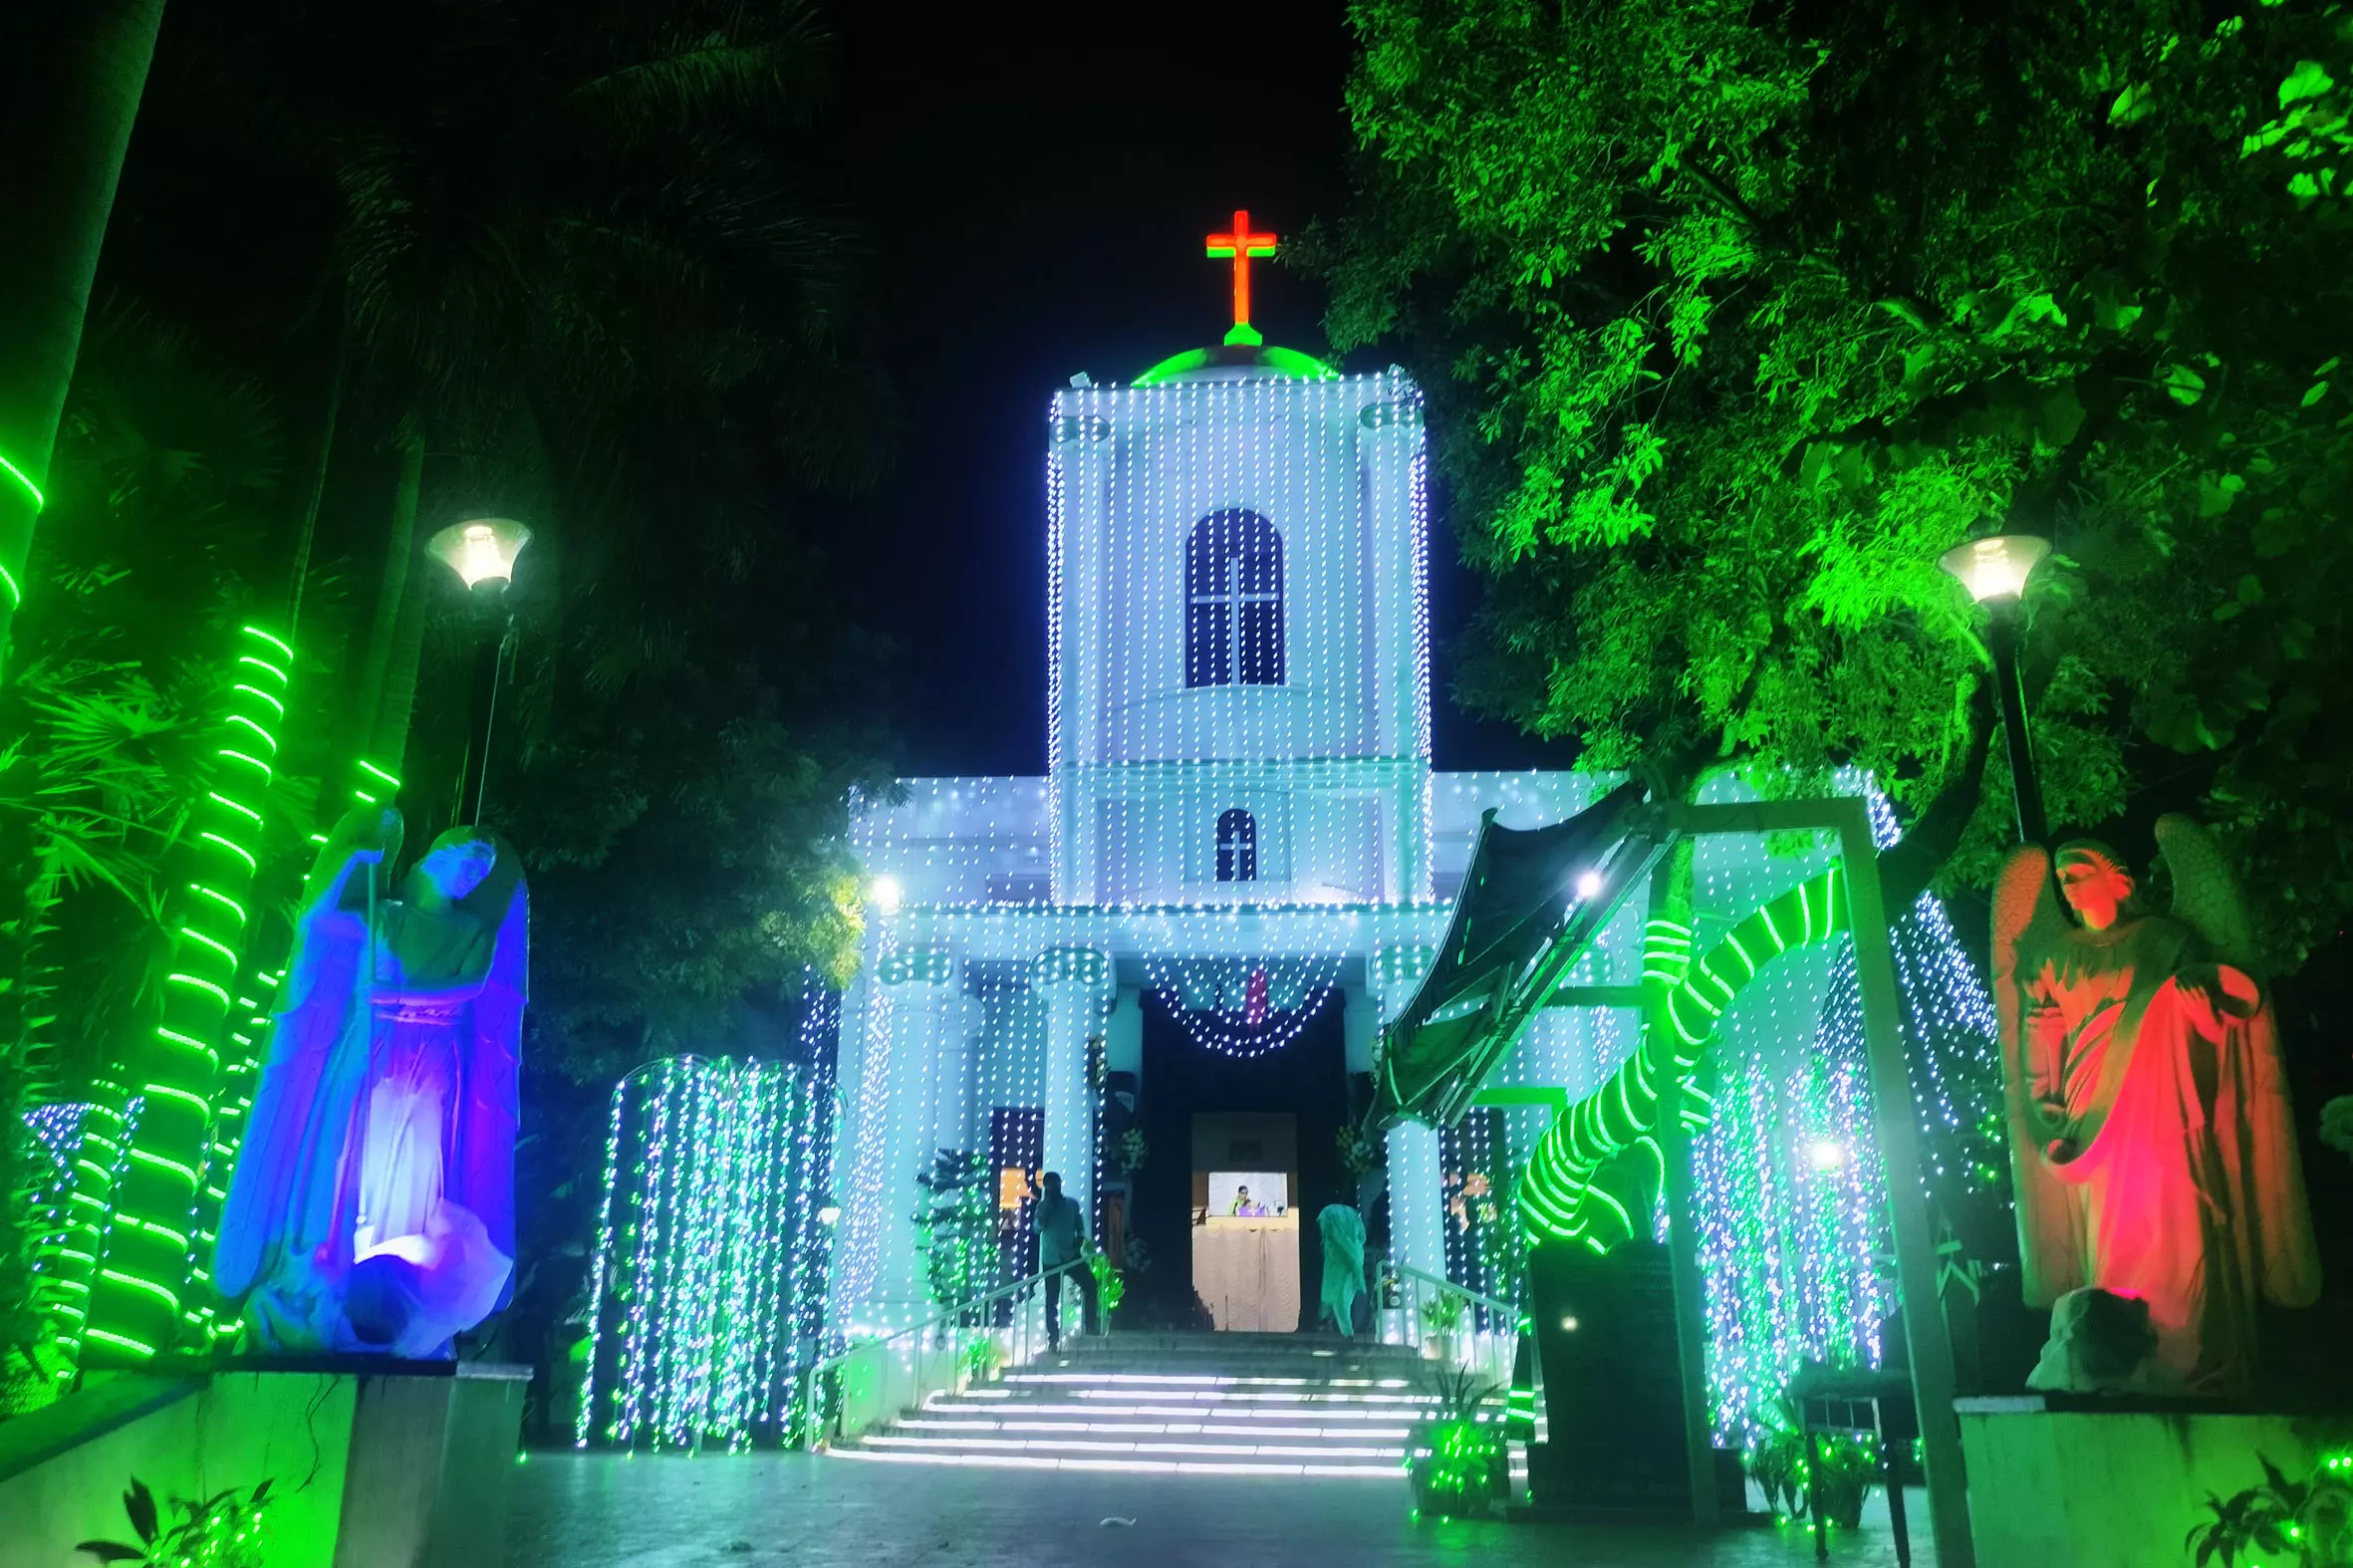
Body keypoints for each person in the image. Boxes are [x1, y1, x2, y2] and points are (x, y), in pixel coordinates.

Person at [1031, 1171, 1097, 1350]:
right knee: (1052, 1298)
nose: (1053, 1188)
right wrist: (1044, 1213)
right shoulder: (1043, 1206)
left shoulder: (1071, 1204)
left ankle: (1090, 1325)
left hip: (1071, 1256)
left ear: (1060, 1184)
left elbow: (1080, 1226)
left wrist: (1080, 1241)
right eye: (1050, 1186)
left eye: (1056, 1184)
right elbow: (1036, 1229)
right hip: (1051, 1258)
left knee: (1090, 1284)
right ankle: (1053, 1338)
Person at [1317, 1203, 1366, 1337]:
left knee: (1338, 1299)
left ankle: (1346, 1333)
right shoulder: (1354, 1214)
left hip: (1336, 1261)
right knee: (1345, 1297)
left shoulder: (1327, 1213)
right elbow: (1362, 1236)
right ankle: (1329, 1322)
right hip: (1354, 1257)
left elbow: (1326, 1231)